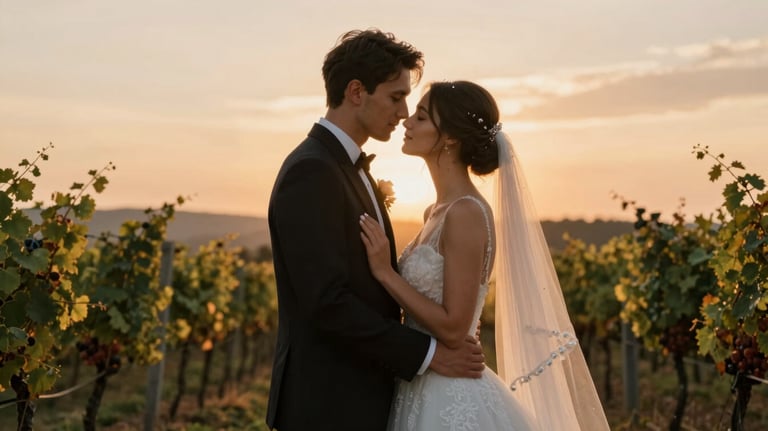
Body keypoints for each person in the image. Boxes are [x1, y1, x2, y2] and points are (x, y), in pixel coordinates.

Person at [266, 30, 485, 431]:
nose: (403, 113)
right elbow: (327, 302)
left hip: (366, 398)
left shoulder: (345, 169)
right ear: (355, 91)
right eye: (396, 96)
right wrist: (430, 355)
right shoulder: (312, 171)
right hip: (327, 407)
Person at [360, 81, 610, 430]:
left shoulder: (466, 213)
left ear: (449, 137)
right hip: (421, 381)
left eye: (420, 116)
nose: (407, 122)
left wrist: (385, 273)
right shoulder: (435, 211)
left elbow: (454, 326)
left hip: (450, 393)